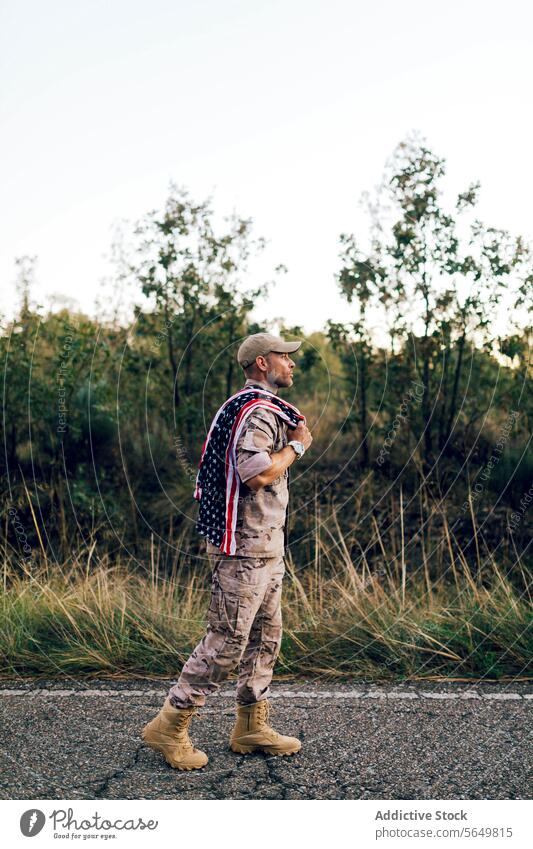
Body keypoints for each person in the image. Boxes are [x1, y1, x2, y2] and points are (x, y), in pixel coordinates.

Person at [141, 332, 313, 770]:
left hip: (265, 545)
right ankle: (170, 725)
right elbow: (255, 474)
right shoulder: (257, 414)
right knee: (228, 640)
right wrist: (297, 446)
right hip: (243, 547)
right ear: (261, 363)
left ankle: (251, 726)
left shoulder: (261, 407)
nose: (292, 363)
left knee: (264, 637)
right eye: (284, 357)